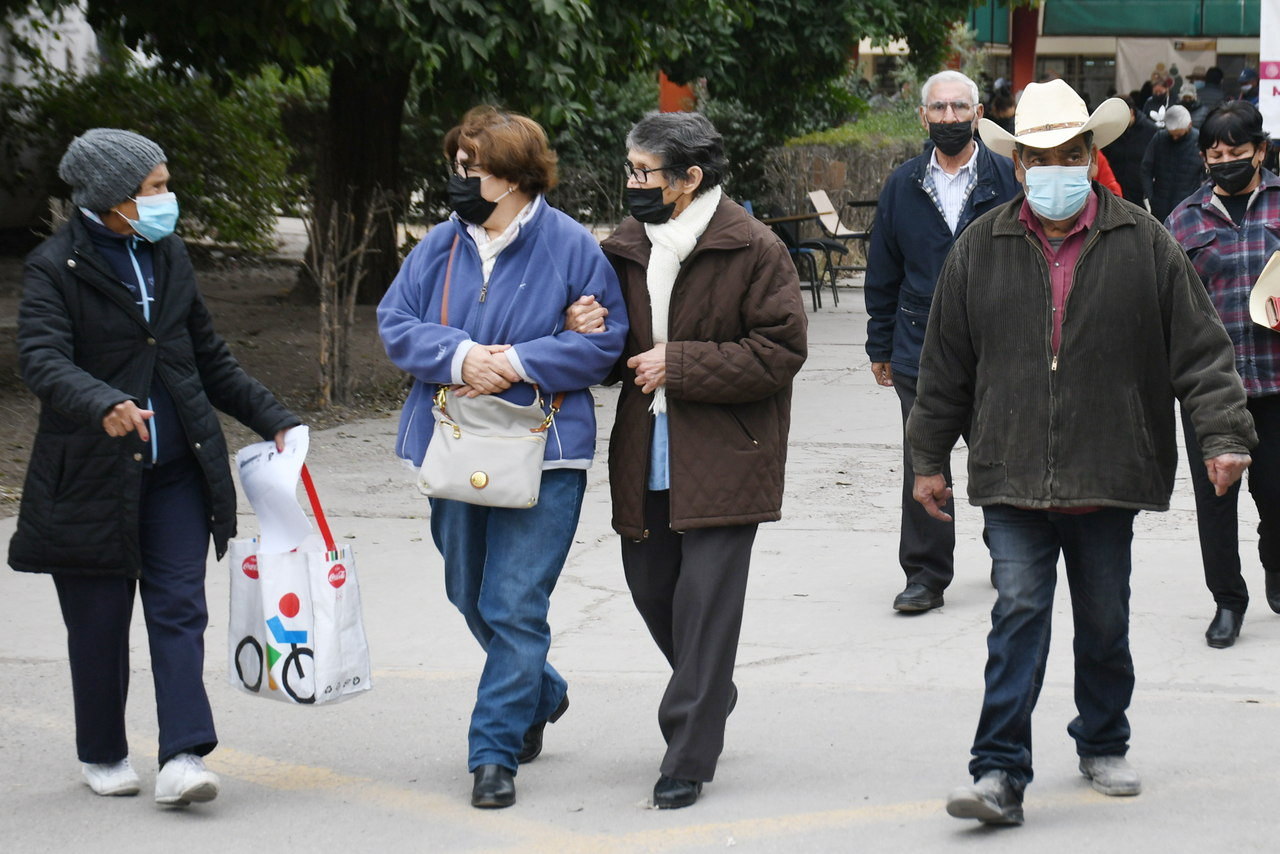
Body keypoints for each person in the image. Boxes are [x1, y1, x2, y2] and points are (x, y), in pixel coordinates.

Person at [909, 79, 1255, 826]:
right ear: (1022, 166)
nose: (1055, 170)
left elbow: (1202, 351)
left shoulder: (1144, 240)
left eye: (1071, 154)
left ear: (1091, 157)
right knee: (1020, 614)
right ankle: (999, 772)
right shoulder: (981, 246)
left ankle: (1102, 739)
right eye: (1040, 158)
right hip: (1011, 473)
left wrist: (1225, 435)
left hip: (1107, 470)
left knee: (1104, 621)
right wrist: (928, 458)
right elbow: (944, 368)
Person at [10, 129, 301, 806]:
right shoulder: (54, 267)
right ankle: (102, 751)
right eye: (156, 188)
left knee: (179, 610)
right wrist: (103, 400)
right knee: (99, 625)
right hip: (89, 477)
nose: (169, 199)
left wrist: (276, 418)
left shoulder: (166, 256)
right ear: (114, 197)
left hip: (175, 471)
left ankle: (183, 755)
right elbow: (42, 359)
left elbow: (207, 356)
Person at [377, 106, 628, 809]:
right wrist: (460, 355)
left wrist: (515, 360)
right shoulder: (438, 247)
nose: (458, 181)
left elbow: (604, 343)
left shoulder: (574, 247)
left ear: (516, 177)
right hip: (451, 445)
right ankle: (540, 690)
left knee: (513, 605)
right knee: (469, 593)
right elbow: (396, 324)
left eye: (473, 170)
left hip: (544, 453)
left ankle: (493, 755)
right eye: (456, 165)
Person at [569, 111, 806, 809]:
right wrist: (585, 329)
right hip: (647, 452)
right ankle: (711, 689)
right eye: (631, 169)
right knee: (651, 589)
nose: (632, 183)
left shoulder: (753, 247)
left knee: (705, 605)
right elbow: (614, 355)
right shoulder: (625, 247)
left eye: (644, 172)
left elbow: (781, 350)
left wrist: (681, 364)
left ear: (689, 178)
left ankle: (688, 752)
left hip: (730, 452)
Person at [863, 70, 1020, 613]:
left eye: (959, 108)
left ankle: (1010, 558)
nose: (949, 118)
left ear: (978, 115)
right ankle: (926, 576)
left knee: (999, 459)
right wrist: (879, 344)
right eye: (939, 109)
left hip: (998, 348)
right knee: (922, 463)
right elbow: (882, 271)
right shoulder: (903, 184)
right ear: (923, 116)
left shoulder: (1008, 177)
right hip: (918, 349)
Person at [1165, 101, 1280, 648]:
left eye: (1238, 152)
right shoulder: (1183, 220)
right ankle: (1228, 601)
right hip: (1211, 392)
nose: (1228, 161)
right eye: (1217, 154)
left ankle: (1276, 564)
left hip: (1277, 384)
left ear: (1261, 149)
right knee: (1216, 504)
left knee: (1278, 496)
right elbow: (1166, 307)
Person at [1141, 104, 1205, 222]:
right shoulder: (1159, 138)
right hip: (1159, 208)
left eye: (1179, 134)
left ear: (1189, 125)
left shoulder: (1200, 143)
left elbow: (1207, 177)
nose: (1175, 138)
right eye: (1172, 134)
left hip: (1187, 210)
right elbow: (1146, 169)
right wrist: (1150, 196)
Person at [1103, 95, 1158, 203]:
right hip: (1116, 193)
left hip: (1139, 194)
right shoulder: (1114, 130)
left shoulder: (1150, 130)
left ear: (1131, 112)